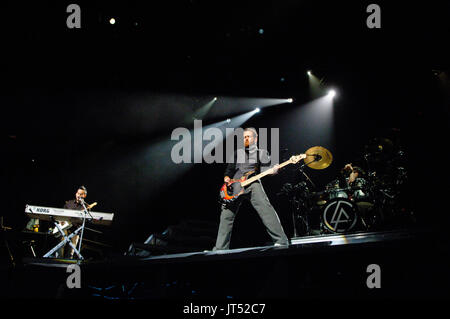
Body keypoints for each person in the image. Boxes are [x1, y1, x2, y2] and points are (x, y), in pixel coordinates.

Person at [213, 128, 289, 250]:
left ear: (255, 138)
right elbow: (230, 170)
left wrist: (274, 170)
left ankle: (281, 241)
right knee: (226, 216)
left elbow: (266, 170)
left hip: (252, 183)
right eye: (244, 137)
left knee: (266, 209)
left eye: (248, 136)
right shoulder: (237, 153)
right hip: (235, 186)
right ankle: (220, 248)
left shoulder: (261, 152)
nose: (246, 139)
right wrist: (227, 178)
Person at [56, 186, 88, 258]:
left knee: (72, 249)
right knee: (61, 244)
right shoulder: (69, 203)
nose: (78, 195)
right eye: (77, 193)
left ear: (84, 195)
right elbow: (60, 214)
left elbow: (86, 220)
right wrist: (61, 220)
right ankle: (58, 259)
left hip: (76, 229)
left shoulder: (85, 206)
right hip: (65, 227)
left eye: (81, 194)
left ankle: (68, 263)